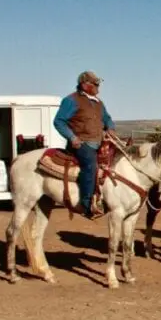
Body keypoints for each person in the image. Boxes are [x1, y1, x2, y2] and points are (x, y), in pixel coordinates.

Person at [52, 70, 118, 219]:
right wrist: (72, 137)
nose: (98, 86)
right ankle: (87, 204)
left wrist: (111, 128)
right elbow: (59, 121)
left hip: (99, 142)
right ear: (85, 84)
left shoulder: (98, 102)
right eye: (95, 84)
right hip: (81, 144)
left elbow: (107, 118)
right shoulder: (71, 100)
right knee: (90, 165)